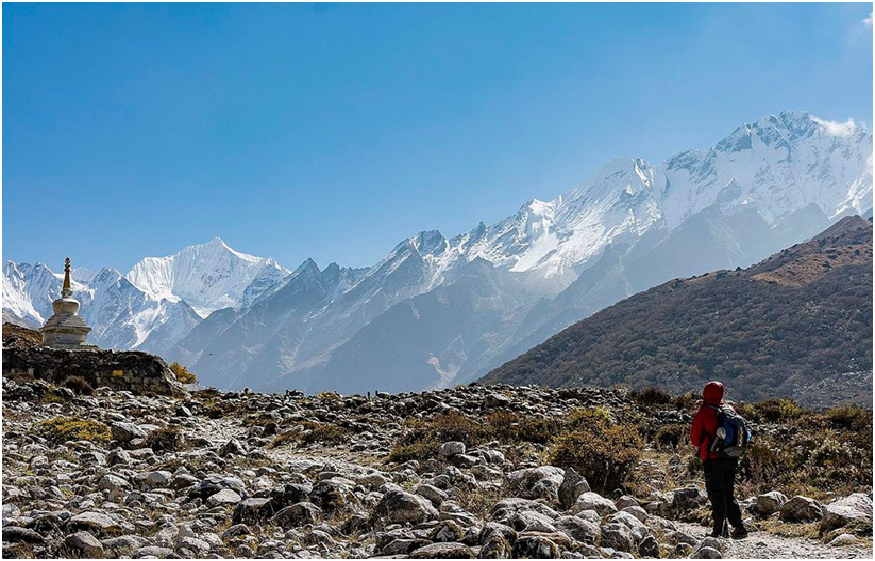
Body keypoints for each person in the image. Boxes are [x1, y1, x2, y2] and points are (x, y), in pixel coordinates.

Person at [690, 381, 748, 538]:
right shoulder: (729, 409)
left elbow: (695, 440)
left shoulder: (704, 412)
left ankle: (719, 529)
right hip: (731, 456)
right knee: (729, 493)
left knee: (716, 494)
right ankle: (739, 526)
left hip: (712, 458)